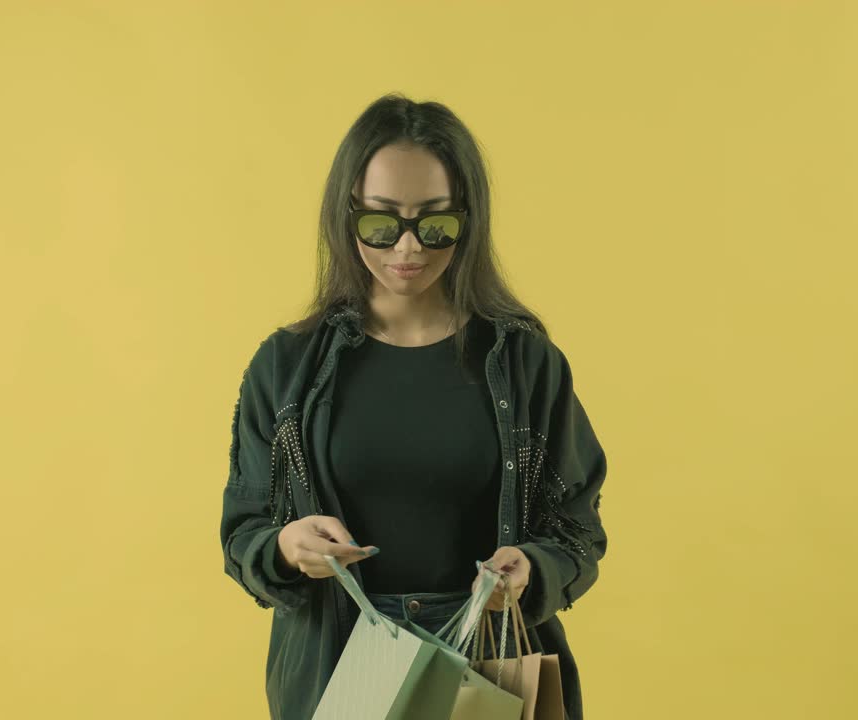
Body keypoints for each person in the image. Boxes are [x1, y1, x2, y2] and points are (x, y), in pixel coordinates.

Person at [219, 93, 608, 720]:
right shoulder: (286, 367)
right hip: (336, 671)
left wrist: (531, 568)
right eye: (380, 223)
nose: (407, 249)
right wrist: (289, 545)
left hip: (489, 676)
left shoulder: (526, 364)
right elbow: (244, 533)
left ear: (468, 220)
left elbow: (577, 530)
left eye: (435, 225)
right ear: (344, 217)